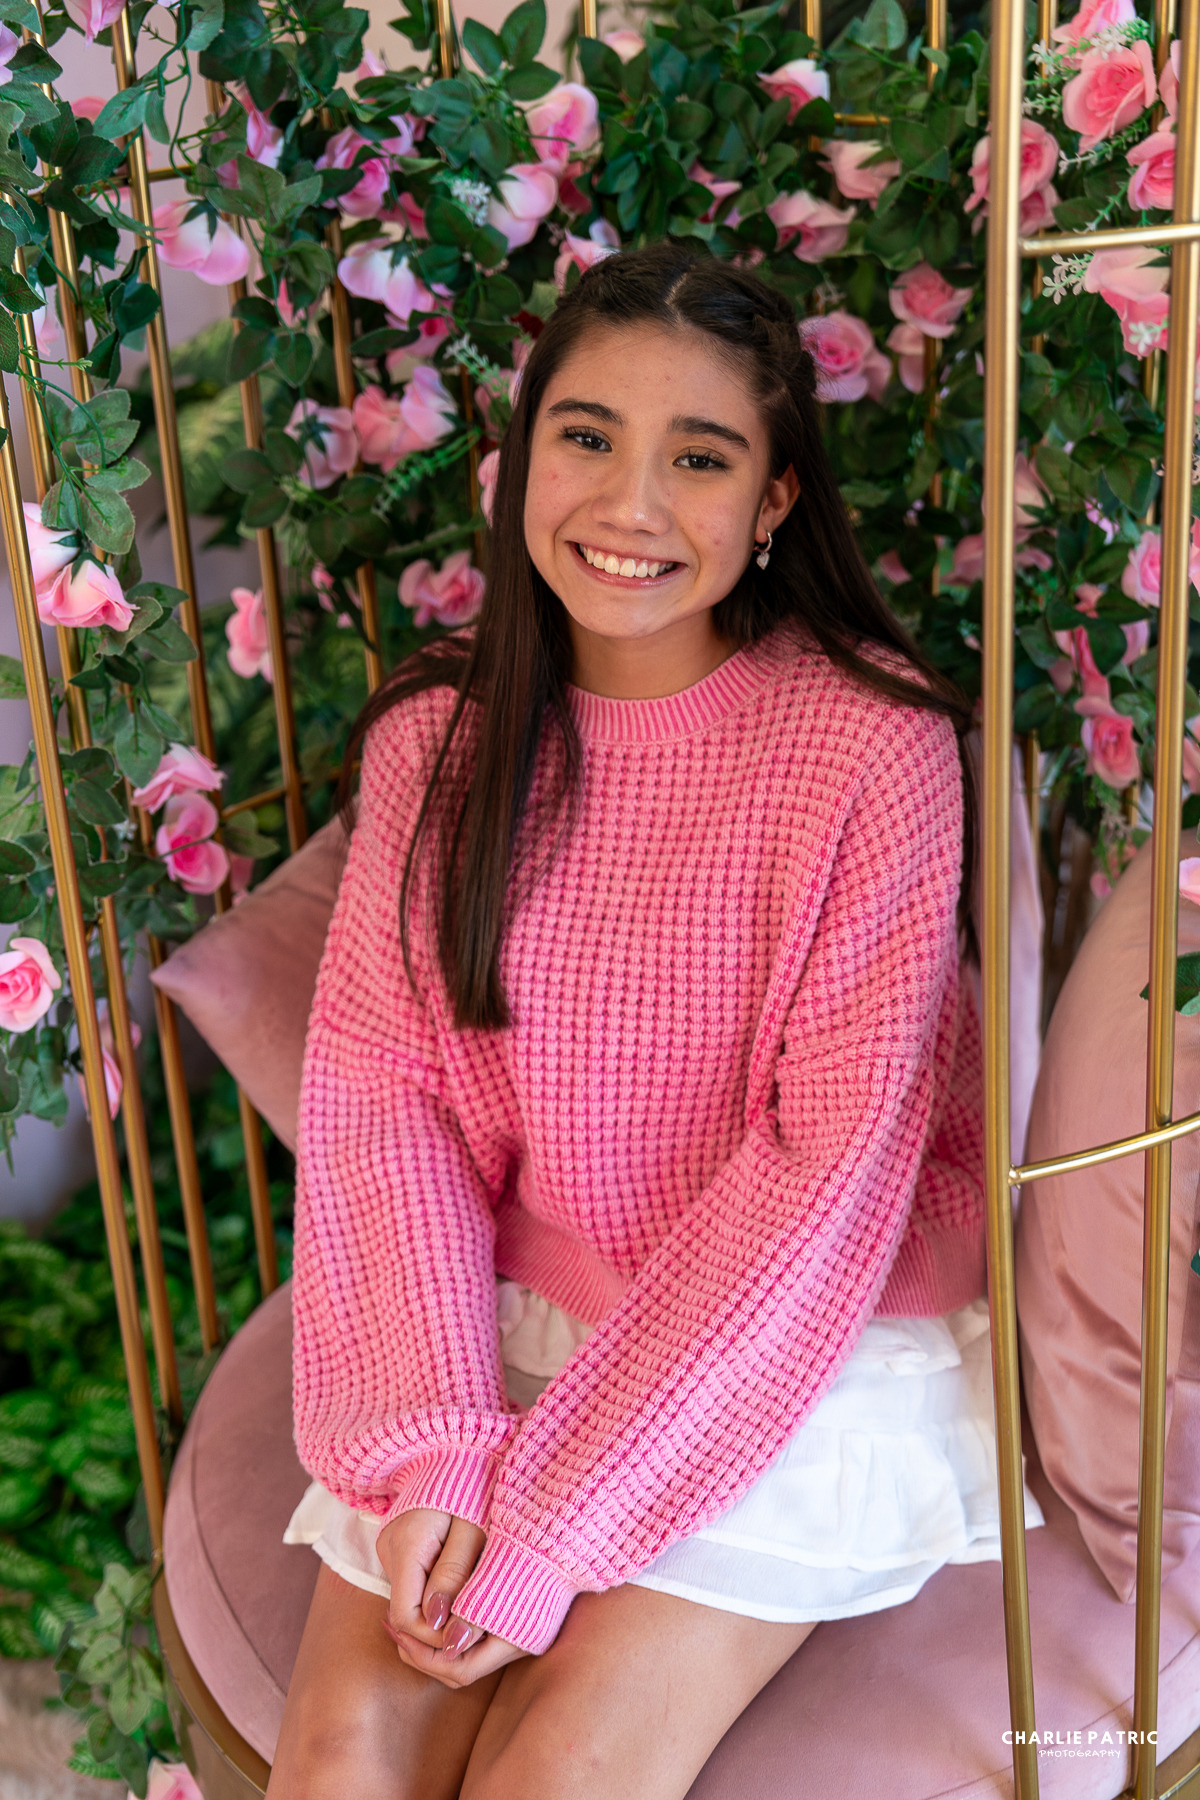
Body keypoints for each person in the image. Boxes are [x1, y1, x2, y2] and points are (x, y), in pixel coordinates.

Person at [269, 242, 1044, 1800]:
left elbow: (826, 1174)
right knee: (347, 1753)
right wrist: (437, 1448)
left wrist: (550, 1522)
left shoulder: (870, 748)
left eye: (698, 459)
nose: (629, 506)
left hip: (797, 1338)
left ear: (772, 505)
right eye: (588, 436)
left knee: (554, 1774)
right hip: (512, 1315)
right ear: (522, 451)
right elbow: (385, 1105)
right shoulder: (441, 741)